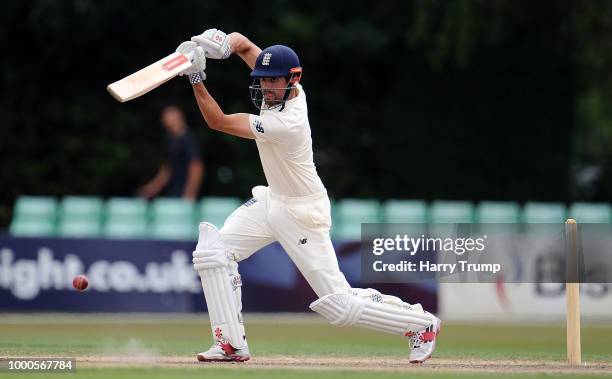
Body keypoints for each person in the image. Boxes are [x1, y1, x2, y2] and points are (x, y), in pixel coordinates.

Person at [176, 28, 441, 364]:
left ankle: (421, 324)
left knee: (338, 304)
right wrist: (217, 45)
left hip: (302, 212)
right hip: (272, 200)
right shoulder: (286, 87)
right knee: (214, 252)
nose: (266, 88)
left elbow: (219, 122)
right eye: (263, 80)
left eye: (274, 82)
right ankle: (230, 343)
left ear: (293, 80)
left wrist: (197, 76)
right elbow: (242, 42)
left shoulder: (287, 123)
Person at [138, 105, 204, 200]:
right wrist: (152, 188)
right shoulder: (171, 140)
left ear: (179, 118)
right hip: (174, 194)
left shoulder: (188, 140)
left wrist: (189, 194)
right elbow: (168, 169)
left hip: (185, 197)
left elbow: (196, 167)